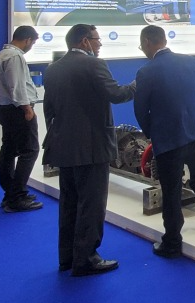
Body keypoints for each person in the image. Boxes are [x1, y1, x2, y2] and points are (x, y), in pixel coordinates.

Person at [42, 23, 136, 277]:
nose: (100, 43)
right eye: (97, 39)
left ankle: (67, 257)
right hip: (92, 148)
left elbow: (49, 110)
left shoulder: (53, 69)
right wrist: (136, 85)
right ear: (85, 41)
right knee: (92, 204)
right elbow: (116, 94)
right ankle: (86, 259)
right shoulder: (94, 64)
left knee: (69, 203)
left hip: (64, 147)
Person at [134, 25, 195, 257]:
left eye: (141, 45)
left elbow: (141, 110)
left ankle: (172, 240)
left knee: (171, 187)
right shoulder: (190, 62)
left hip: (168, 137)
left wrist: (152, 132)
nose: (142, 50)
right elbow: (193, 93)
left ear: (148, 42)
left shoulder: (146, 72)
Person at [0, 25, 43, 213]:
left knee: (9, 149)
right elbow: (17, 86)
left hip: (6, 109)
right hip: (18, 110)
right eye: (32, 43)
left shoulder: (0, 55)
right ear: (27, 40)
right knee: (29, 151)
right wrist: (27, 108)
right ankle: (17, 196)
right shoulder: (15, 56)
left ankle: (11, 192)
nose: (31, 46)